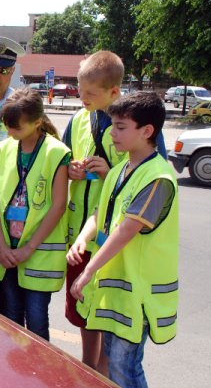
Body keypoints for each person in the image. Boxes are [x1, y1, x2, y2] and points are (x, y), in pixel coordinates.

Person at [62, 51, 168, 372]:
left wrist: (110, 172)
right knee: (83, 308)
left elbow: (146, 176)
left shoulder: (138, 125)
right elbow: (65, 161)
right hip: (83, 229)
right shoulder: (80, 119)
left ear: (113, 93)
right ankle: (89, 366)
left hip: (116, 239)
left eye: (90, 94)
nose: (83, 99)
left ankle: (103, 372)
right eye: (80, 92)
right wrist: (74, 170)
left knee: (109, 317)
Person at [0, 88, 70, 340]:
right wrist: (0, 244)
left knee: (36, 321)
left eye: (16, 128)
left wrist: (28, 248)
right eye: (7, 126)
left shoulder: (57, 152)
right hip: (8, 251)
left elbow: (58, 205)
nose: (10, 133)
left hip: (38, 254)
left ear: (37, 122)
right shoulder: (4, 148)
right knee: (11, 316)